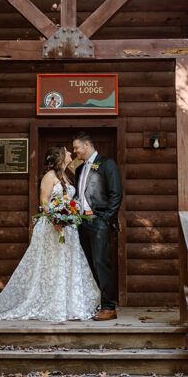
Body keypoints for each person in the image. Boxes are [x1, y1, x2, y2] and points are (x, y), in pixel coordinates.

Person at [0, 146, 100, 322]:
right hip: (52, 228)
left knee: (67, 264)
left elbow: (69, 196)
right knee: (52, 265)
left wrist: (69, 216)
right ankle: (50, 304)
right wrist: (56, 220)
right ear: (59, 158)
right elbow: (44, 201)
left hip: (69, 229)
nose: (70, 153)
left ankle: (68, 304)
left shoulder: (66, 175)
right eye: (66, 151)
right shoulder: (50, 177)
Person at [72, 131, 123, 321]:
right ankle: (94, 302)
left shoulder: (107, 164)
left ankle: (109, 307)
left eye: (77, 147)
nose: (75, 151)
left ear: (87, 145)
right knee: (88, 265)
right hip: (81, 223)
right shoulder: (79, 168)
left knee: (102, 264)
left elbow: (116, 193)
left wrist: (106, 219)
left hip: (99, 221)